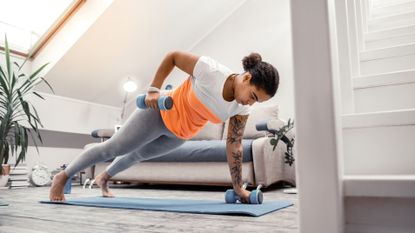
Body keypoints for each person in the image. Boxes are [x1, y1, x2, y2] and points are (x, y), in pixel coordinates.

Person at [49, 51, 279, 203]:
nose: (251, 103)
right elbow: (173, 57)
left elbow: (234, 145)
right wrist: (153, 89)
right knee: (113, 148)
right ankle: (63, 176)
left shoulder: (241, 108)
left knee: (138, 155)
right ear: (247, 78)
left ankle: (104, 178)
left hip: (180, 134)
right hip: (158, 113)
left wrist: (238, 188)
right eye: (253, 97)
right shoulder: (211, 71)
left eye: (257, 102)